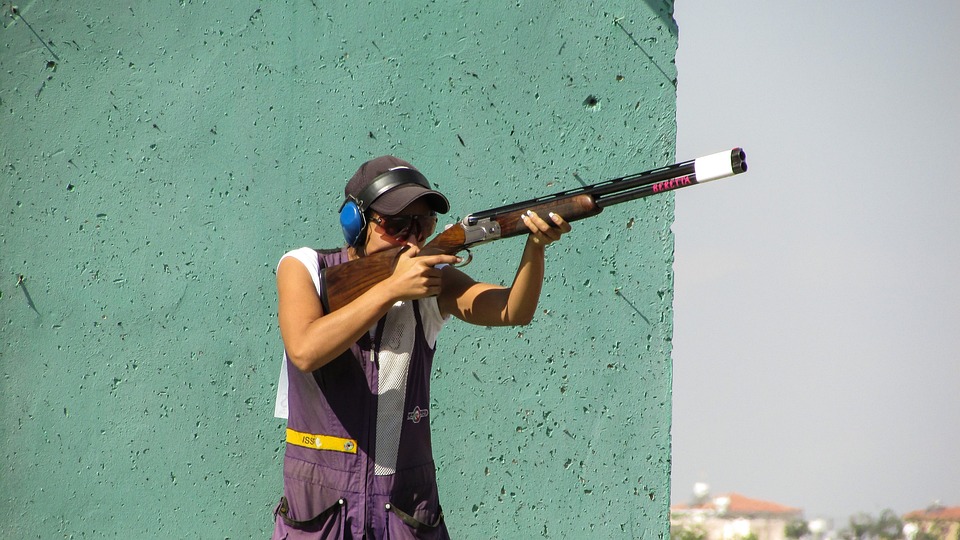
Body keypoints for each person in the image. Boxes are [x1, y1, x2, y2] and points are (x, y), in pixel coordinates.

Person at [271, 155, 570, 539]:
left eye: (423, 225)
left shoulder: (433, 281)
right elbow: (305, 349)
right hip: (321, 512)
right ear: (355, 223)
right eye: (396, 225)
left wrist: (535, 248)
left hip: (403, 510)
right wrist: (392, 288)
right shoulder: (304, 267)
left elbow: (513, 309)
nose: (412, 239)